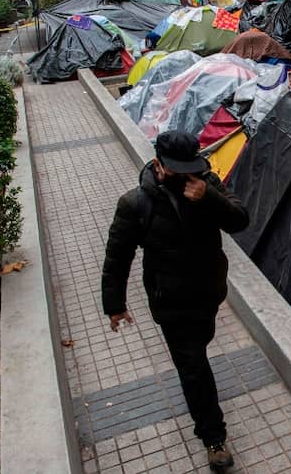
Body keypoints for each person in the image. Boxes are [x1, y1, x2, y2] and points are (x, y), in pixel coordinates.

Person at [102, 131, 249, 472]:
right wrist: (115, 304)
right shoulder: (136, 204)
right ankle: (214, 438)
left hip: (209, 292)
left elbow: (240, 221)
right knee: (193, 366)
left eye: (191, 168)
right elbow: (117, 257)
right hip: (170, 301)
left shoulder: (206, 183)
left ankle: (202, 390)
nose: (187, 175)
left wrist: (208, 197)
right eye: (178, 169)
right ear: (158, 164)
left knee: (200, 350)